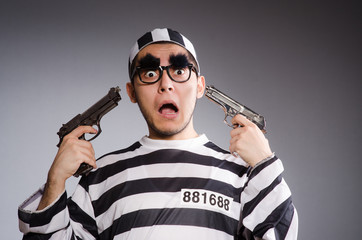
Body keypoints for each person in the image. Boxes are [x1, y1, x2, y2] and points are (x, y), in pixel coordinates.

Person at [18, 28, 298, 239]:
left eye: (179, 70)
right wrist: (55, 183)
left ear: (200, 87)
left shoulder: (244, 175)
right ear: (131, 93)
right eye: (150, 73)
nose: (165, 84)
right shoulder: (100, 177)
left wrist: (265, 164)